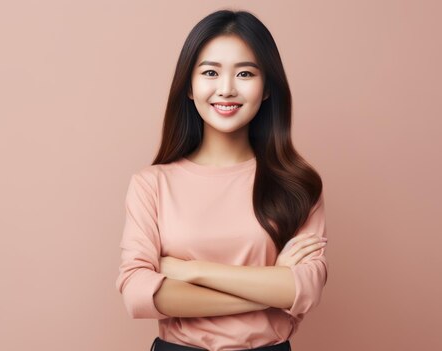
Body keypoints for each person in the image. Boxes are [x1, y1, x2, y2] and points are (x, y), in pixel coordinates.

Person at [115, 9, 328, 351]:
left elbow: (306, 289)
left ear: (268, 87)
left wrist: (192, 271)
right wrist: (269, 287)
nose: (226, 89)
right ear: (189, 86)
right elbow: (138, 294)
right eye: (210, 72)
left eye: (245, 73)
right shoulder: (151, 184)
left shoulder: (297, 185)